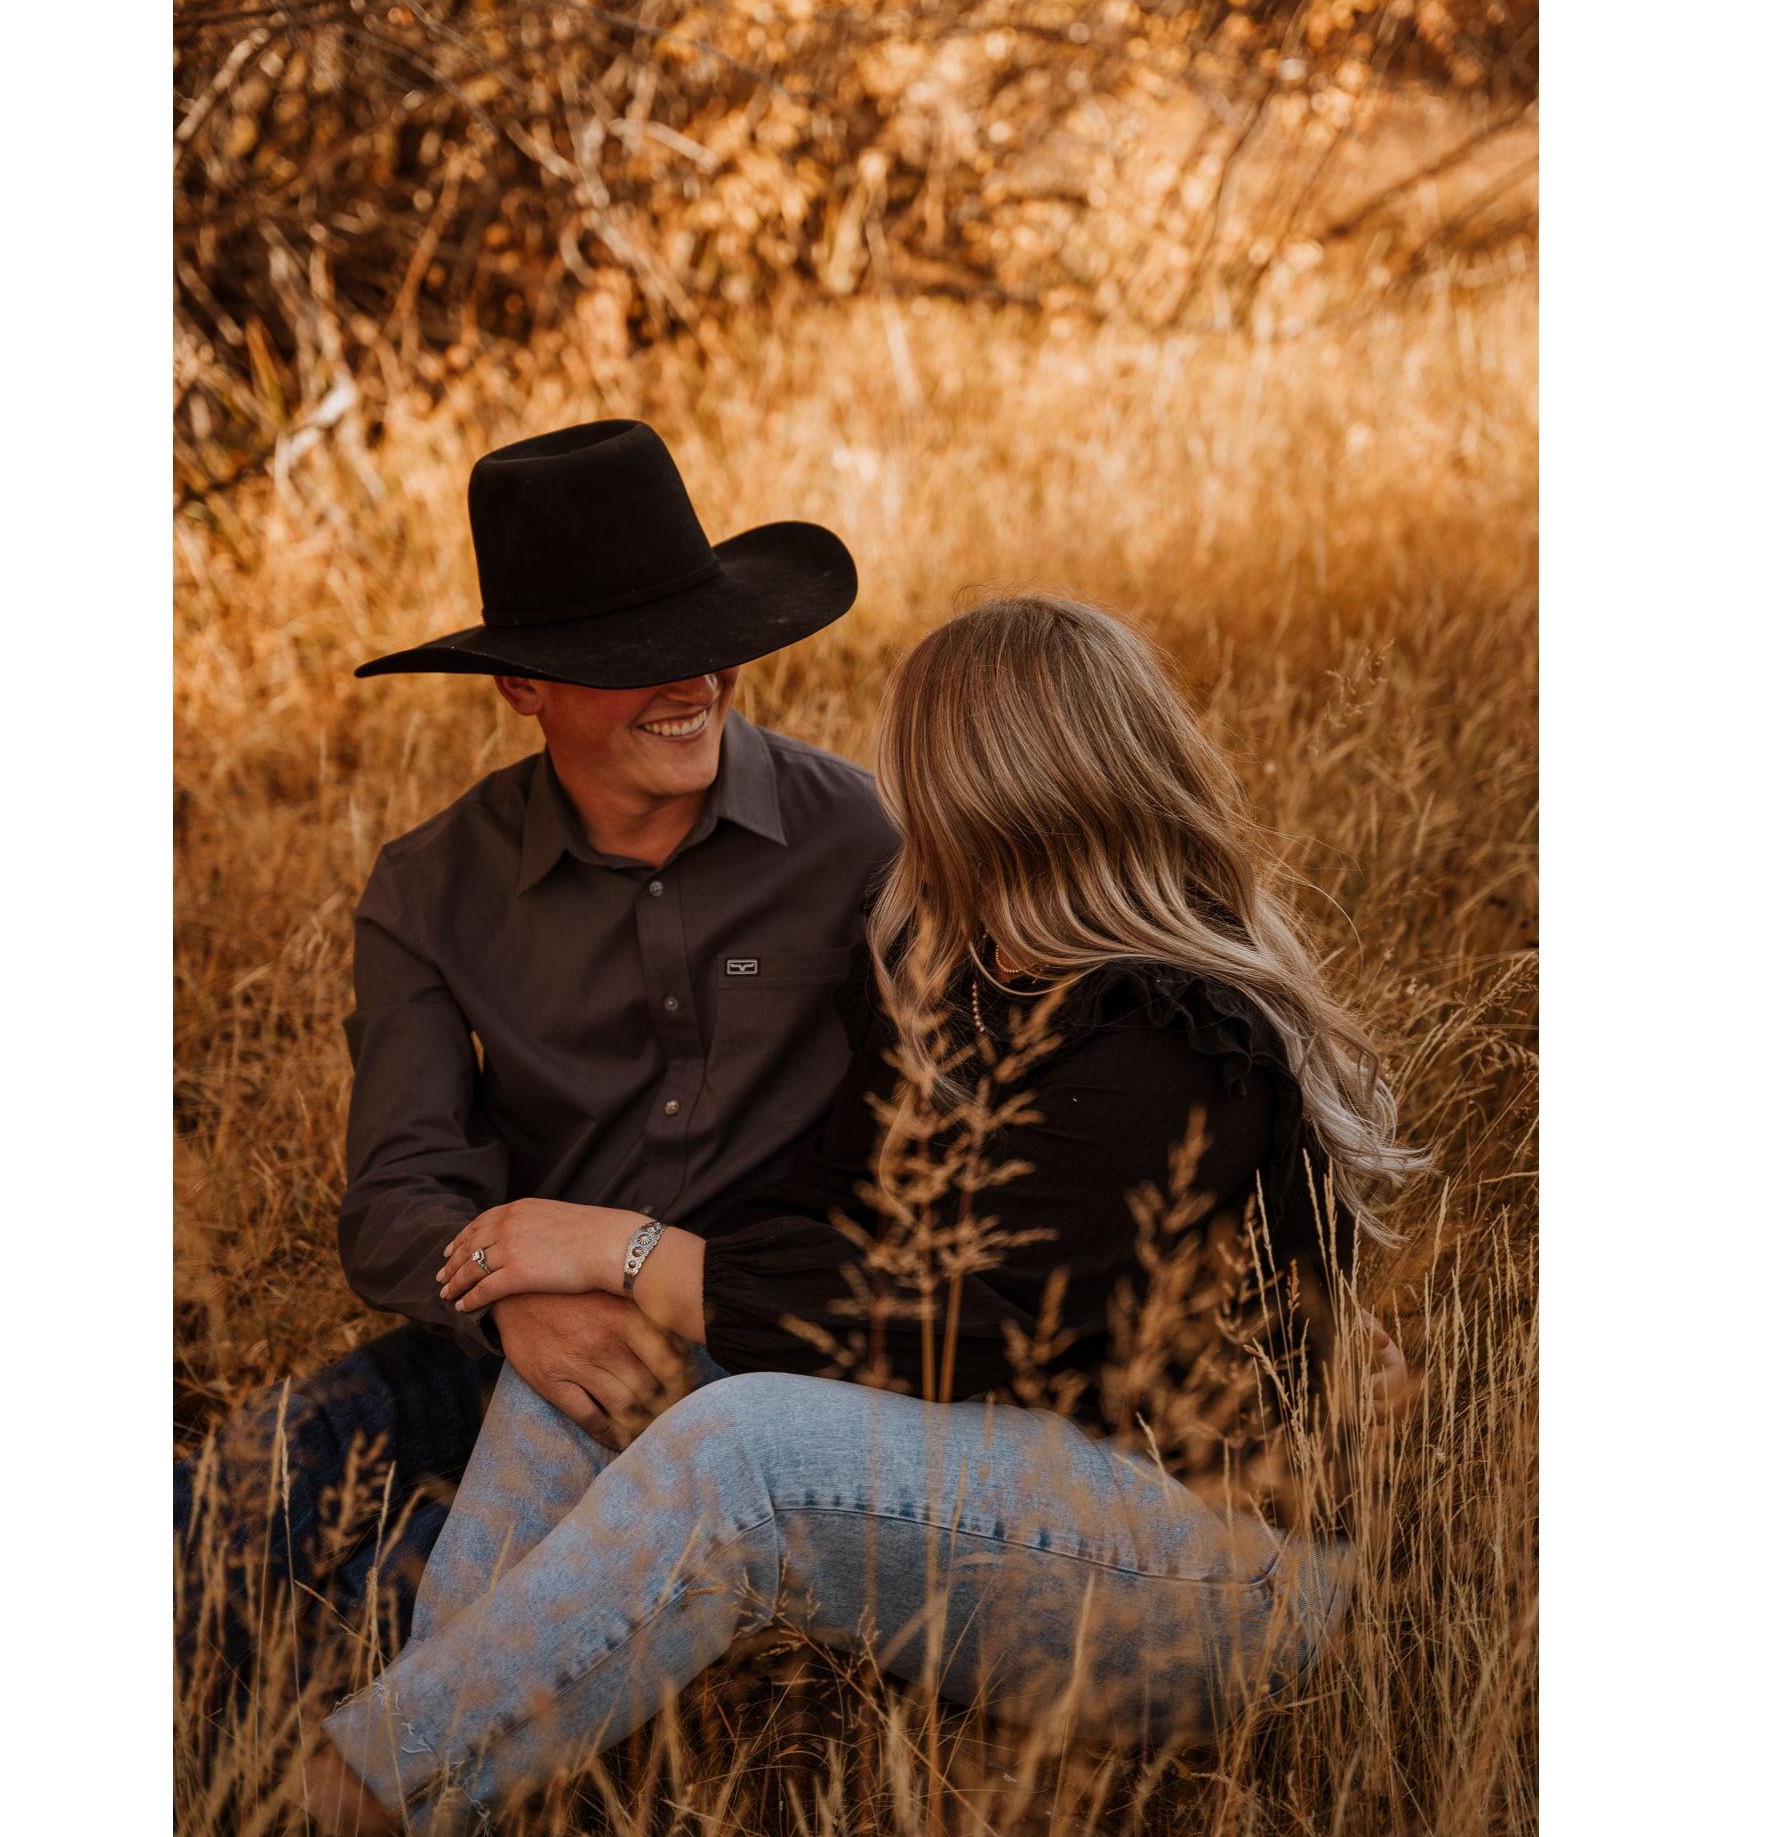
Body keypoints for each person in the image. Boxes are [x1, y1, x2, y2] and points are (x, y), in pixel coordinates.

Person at [299, 593, 1426, 1835]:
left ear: (994, 788)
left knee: (746, 1447)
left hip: (1207, 1564)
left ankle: (355, 1792)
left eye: (918, 769)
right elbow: (826, 1210)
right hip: (1003, 1477)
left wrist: (631, 1246)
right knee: (590, 1355)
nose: (899, 801)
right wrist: (616, 1283)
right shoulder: (954, 962)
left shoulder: (1172, 1031)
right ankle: (431, 1762)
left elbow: (973, 1326)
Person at [174, 418, 897, 1686]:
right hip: (515, 1331)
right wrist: (514, 1301)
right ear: (521, 685)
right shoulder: (428, 888)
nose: (695, 682)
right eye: (635, 658)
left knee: (421, 1617)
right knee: (222, 1508)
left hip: (767, 1345)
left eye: (707, 641)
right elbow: (396, 1193)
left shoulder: (864, 839)